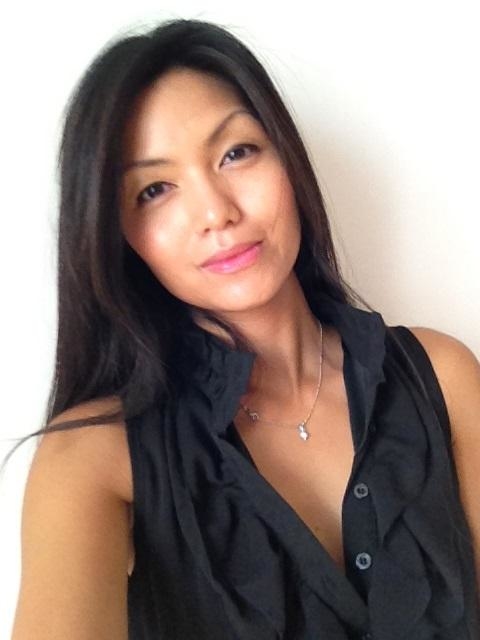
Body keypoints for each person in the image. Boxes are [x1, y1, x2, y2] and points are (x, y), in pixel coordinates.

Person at [8, 17, 480, 640]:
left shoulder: (441, 377)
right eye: (155, 189)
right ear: (119, 237)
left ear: (287, 159)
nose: (216, 212)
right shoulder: (92, 461)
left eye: (236, 153)